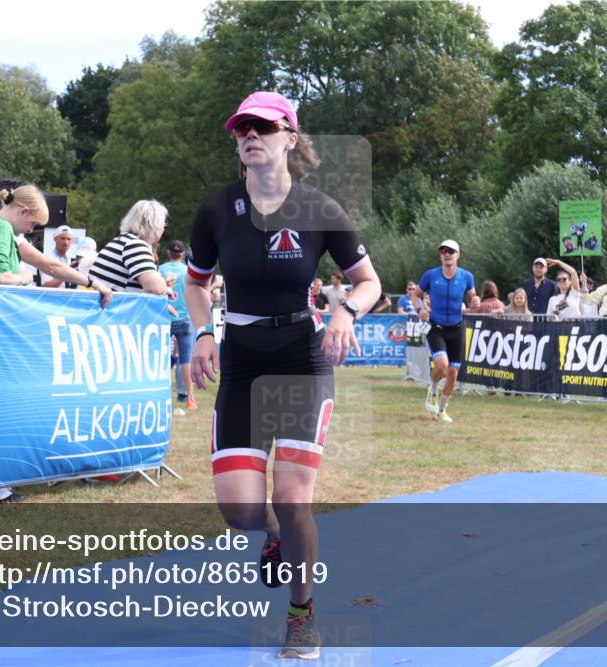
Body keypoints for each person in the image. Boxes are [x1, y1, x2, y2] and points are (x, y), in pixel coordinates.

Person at [187, 91, 380, 661]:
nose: (250, 135)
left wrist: (345, 310)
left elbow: (369, 281)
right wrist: (202, 332)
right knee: (241, 510)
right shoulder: (217, 210)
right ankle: (274, 535)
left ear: (290, 139)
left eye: (263, 127)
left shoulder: (321, 209)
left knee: (294, 498)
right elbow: (197, 282)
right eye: (242, 128)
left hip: (301, 354)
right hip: (243, 360)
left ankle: (302, 614)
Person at [0, 185, 111, 306]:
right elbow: (0, 276)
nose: (30, 230)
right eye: (33, 224)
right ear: (24, 211)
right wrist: (25, 277)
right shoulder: (3, 228)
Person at [416, 239, 479, 423]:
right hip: (436, 327)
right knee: (441, 364)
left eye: (451, 251)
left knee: (452, 375)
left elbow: (473, 297)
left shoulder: (466, 276)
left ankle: (442, 410)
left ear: (458, 255)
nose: (447, 254)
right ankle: (433, 389)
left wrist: (475, 302)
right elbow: (415, 295)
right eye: (443, 251)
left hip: (457, 329)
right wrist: (420, 309)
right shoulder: (431, 275)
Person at [89, 200, 174, 298]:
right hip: (114, 310)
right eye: (164, 226)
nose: (163, 230)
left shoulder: (121, 240)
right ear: (155, 226)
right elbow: (156, 288)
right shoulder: (135, 245)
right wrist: (166, 289)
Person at [159, 239, 197, 413]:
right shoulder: (187, 271)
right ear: (182, 254)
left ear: (168, 253)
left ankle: (159, 394)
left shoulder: (160, 269)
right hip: (185, 318)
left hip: (165, 318)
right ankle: (189, 398)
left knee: (160, 359)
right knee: (186, 359)